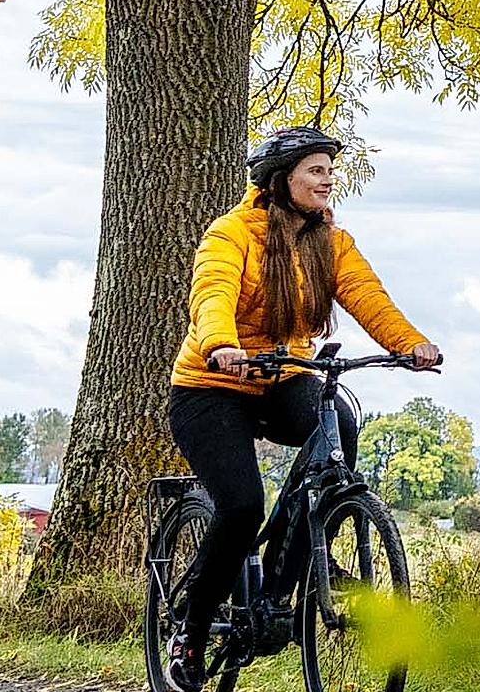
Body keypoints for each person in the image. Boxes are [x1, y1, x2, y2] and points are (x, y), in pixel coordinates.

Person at [169, 124, 440, 644]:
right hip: (212, 384)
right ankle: (192, 624)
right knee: (243, 506)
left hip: (283, 375)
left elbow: (369, 298)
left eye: (330, 171)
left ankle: (289, 576)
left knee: (335, 415)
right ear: (279, 180)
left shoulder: (331, 244)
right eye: (316, 170)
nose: (328, 180)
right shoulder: (232, 234)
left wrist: (410, 344)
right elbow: (213, 294)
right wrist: (222, 345)